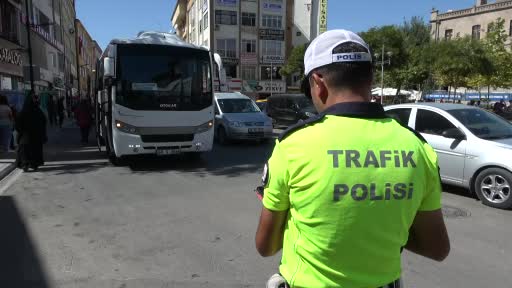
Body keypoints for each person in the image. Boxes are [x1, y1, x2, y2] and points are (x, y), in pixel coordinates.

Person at [255, 30, 450, 288]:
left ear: (318, 82)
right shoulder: (417, 147)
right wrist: (382, 228)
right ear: (369, 77)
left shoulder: (293, 146)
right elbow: (437, 248)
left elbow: (265, 246)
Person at [15, 91, 47, 172]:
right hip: (36, 135)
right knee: (35, 150)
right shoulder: (38, 111)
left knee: (24, 150)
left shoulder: (23, 111)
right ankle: (34, 164)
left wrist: (20, 131)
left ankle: (25, 164)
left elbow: (18, 123)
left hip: (25, 134)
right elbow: (43, 122)